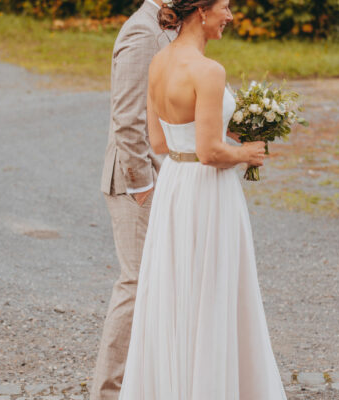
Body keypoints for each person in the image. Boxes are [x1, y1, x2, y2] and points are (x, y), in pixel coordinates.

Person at [118, 0, 288, 398]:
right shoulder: (209, 70)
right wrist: (248, 153)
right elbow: (210, 153)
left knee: (178, 290)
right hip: (208, 192)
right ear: (202, 11)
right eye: (225, 7)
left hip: (175, 185)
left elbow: (159, 142)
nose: (230, 16)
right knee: (213, 291)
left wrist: (224, 138)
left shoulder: (159, 62)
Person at [91, 1, 176, 399]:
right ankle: (107, 392)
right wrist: (143, 184)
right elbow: (126, 117)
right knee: (136, 283)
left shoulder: (171, 27)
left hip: (163, 177)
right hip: (134, 183)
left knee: (155, 283)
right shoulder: (142, 31)